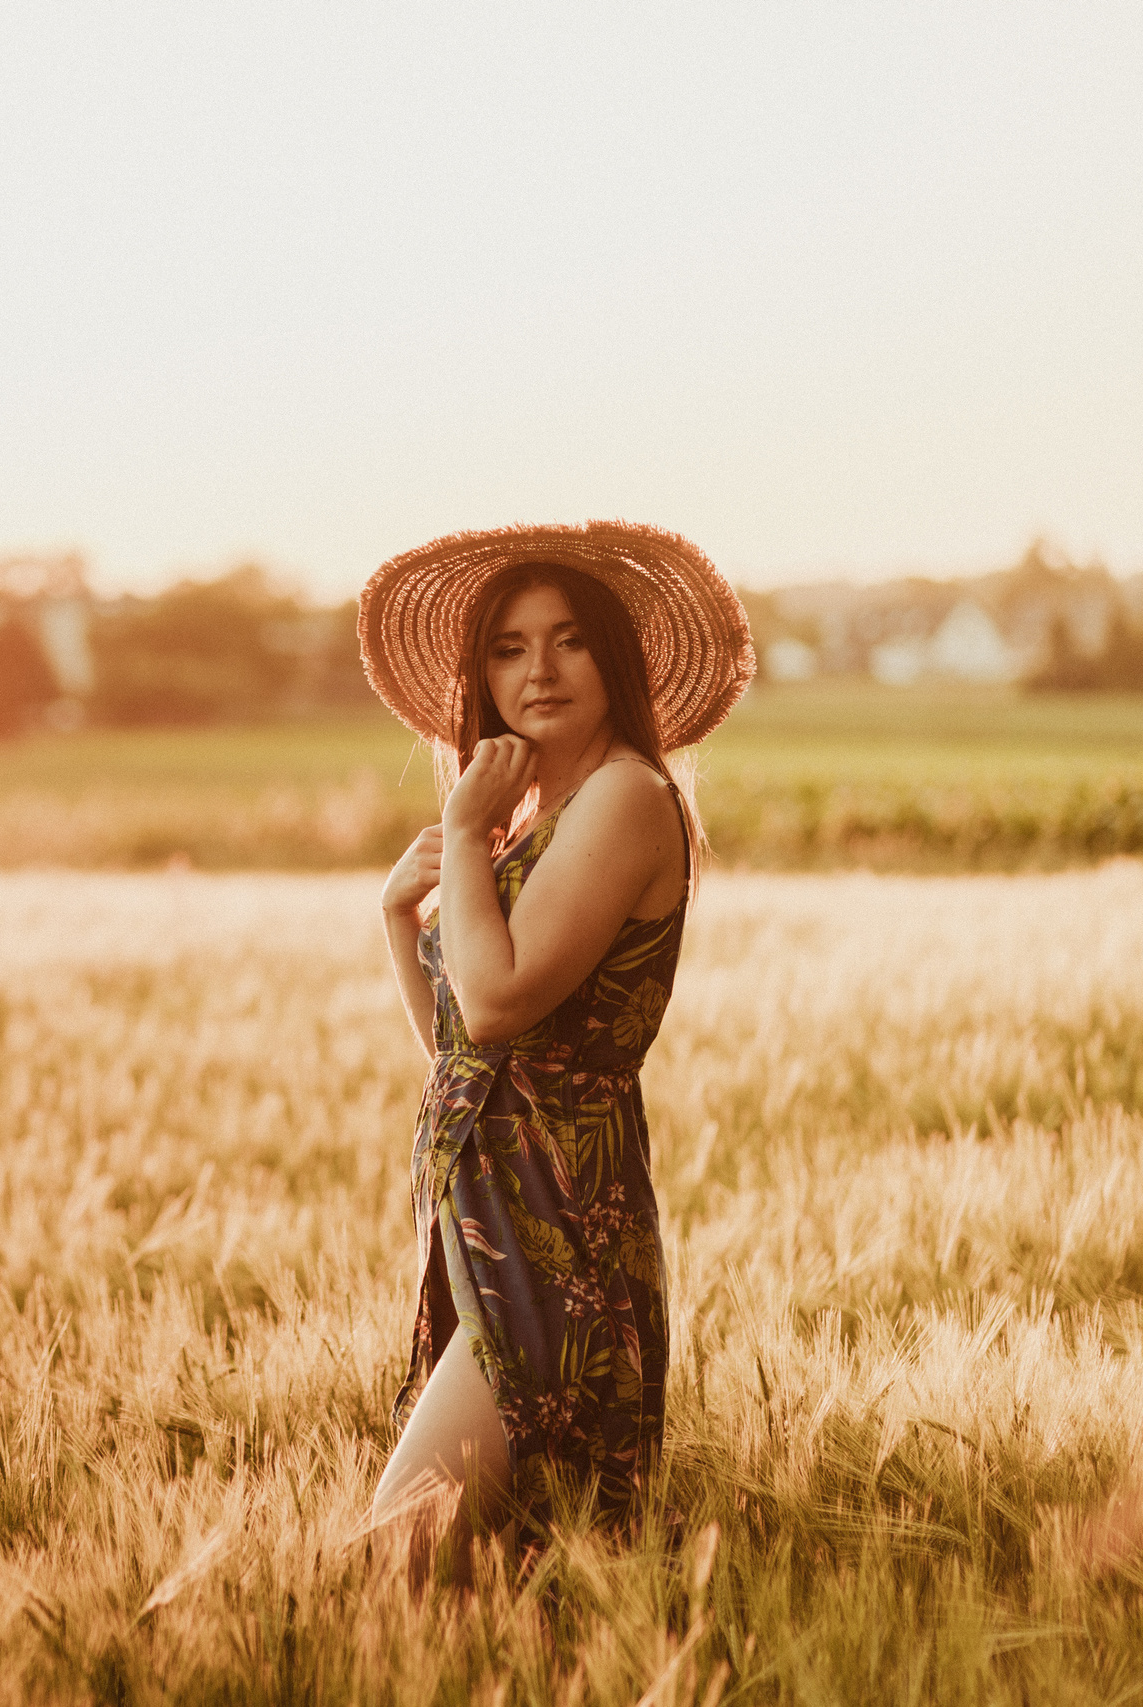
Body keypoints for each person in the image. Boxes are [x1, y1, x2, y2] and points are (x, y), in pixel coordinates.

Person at [351, 521, 757, 1579]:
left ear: (612, 659)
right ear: (478, 676)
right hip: (487, 1221)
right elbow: (468, 1064)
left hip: (556, 1238)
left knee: (391, 1561)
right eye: (507, 648)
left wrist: (461, 828)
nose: (537, 671)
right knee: (483, 1588)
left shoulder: (624, 797)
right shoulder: (539, 819)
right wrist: (401, 923)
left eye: (568, 640)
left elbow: (493, 1007)